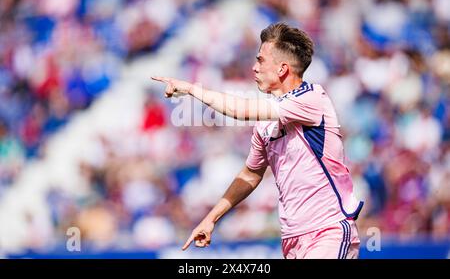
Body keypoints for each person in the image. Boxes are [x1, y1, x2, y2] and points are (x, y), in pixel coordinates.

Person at [152, 22, 364, 259]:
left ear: (283, 69)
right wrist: (210, 219)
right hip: (293, 238)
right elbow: (250, 175)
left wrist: (191, 89)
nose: (254, 68)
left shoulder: (312, 98)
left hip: (328, 230)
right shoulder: (266, 122)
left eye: (261, 60)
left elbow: (239, 110)